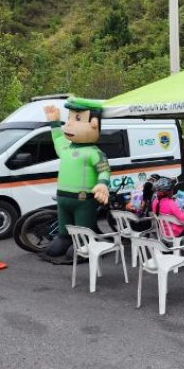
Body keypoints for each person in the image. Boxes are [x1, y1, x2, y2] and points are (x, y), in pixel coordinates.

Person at [41, 98, 110, 263]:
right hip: (63, 198)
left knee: (82, 227)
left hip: (83, 199)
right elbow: (58, 139)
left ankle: (84, 243)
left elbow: (104, 170)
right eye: (70, 118)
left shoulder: (94, 152)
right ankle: (64, 239)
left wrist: (102, 184)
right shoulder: (66, 148)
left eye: (77, 119)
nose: (69, 124)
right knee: (64, 226)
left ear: (94, 123)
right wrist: (55, 123)